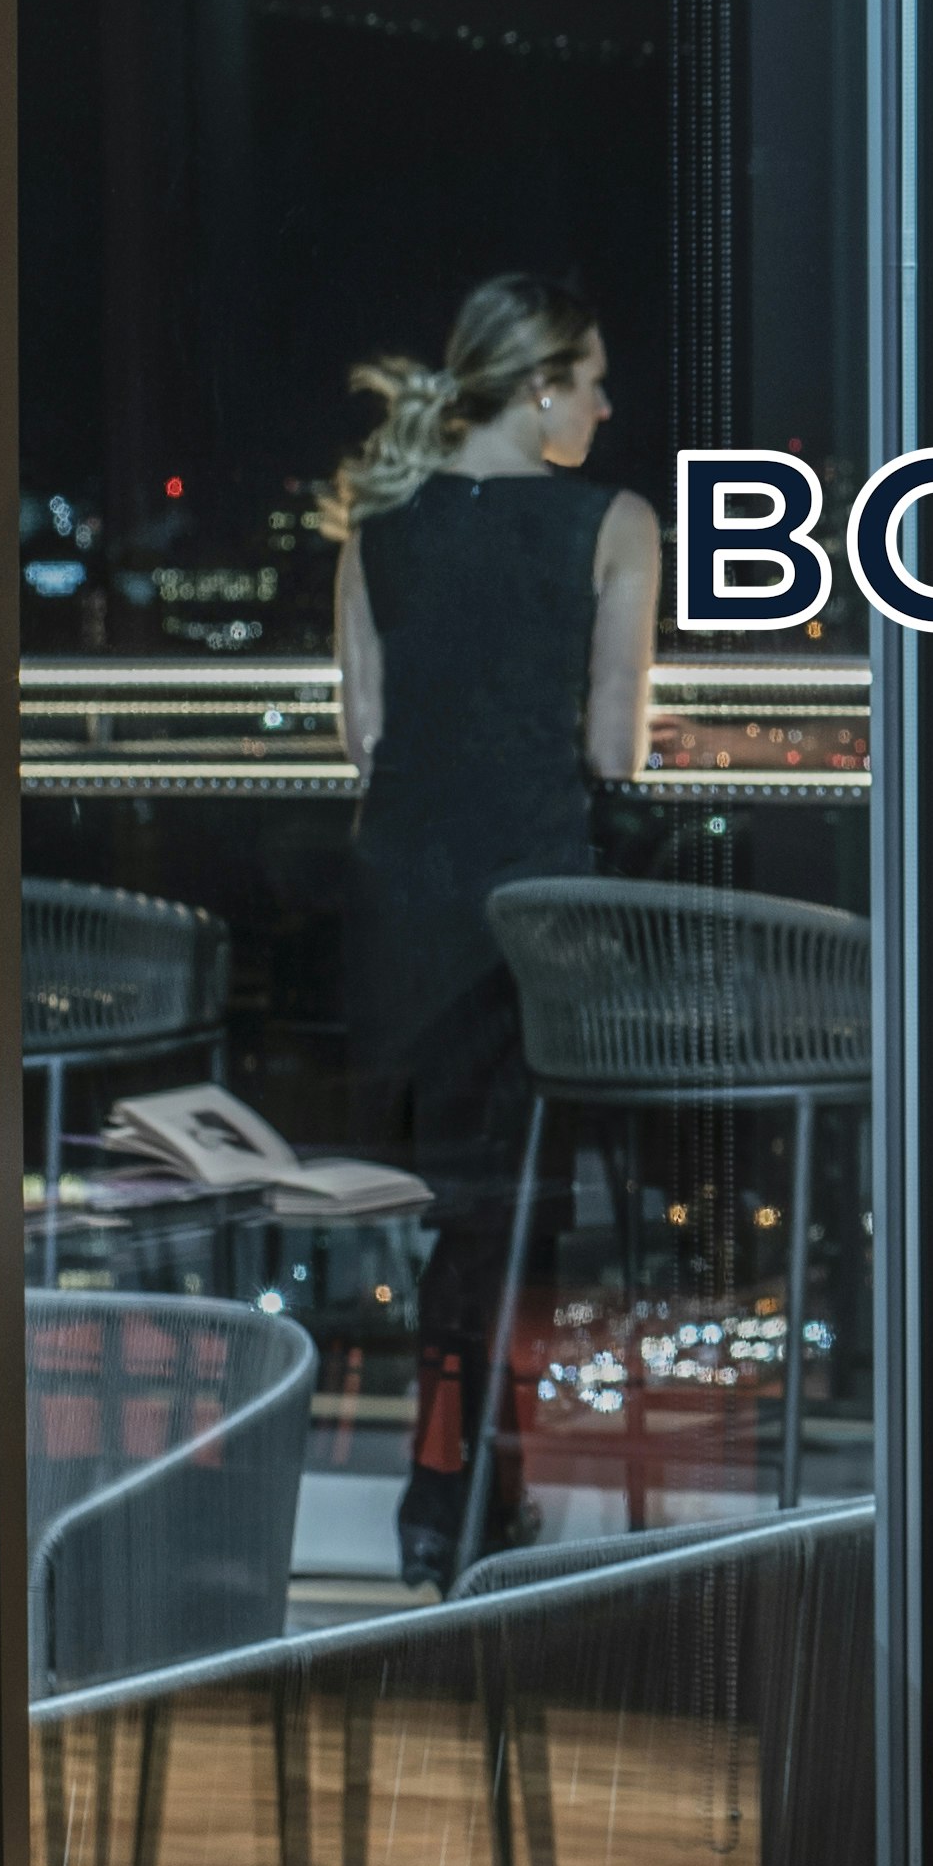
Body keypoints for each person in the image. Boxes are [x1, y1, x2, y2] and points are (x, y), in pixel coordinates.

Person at [323, 272, 660, 1591]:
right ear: (539, 385)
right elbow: (613, 748)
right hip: (535, 914)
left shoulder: (380, 522)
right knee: (512, 1221)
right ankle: (472, 1495)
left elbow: (366, 734)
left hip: (403, 904)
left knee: (454, 1214)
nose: (605, 406)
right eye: (592, 381)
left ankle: (450, 1494)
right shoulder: (612, 523)